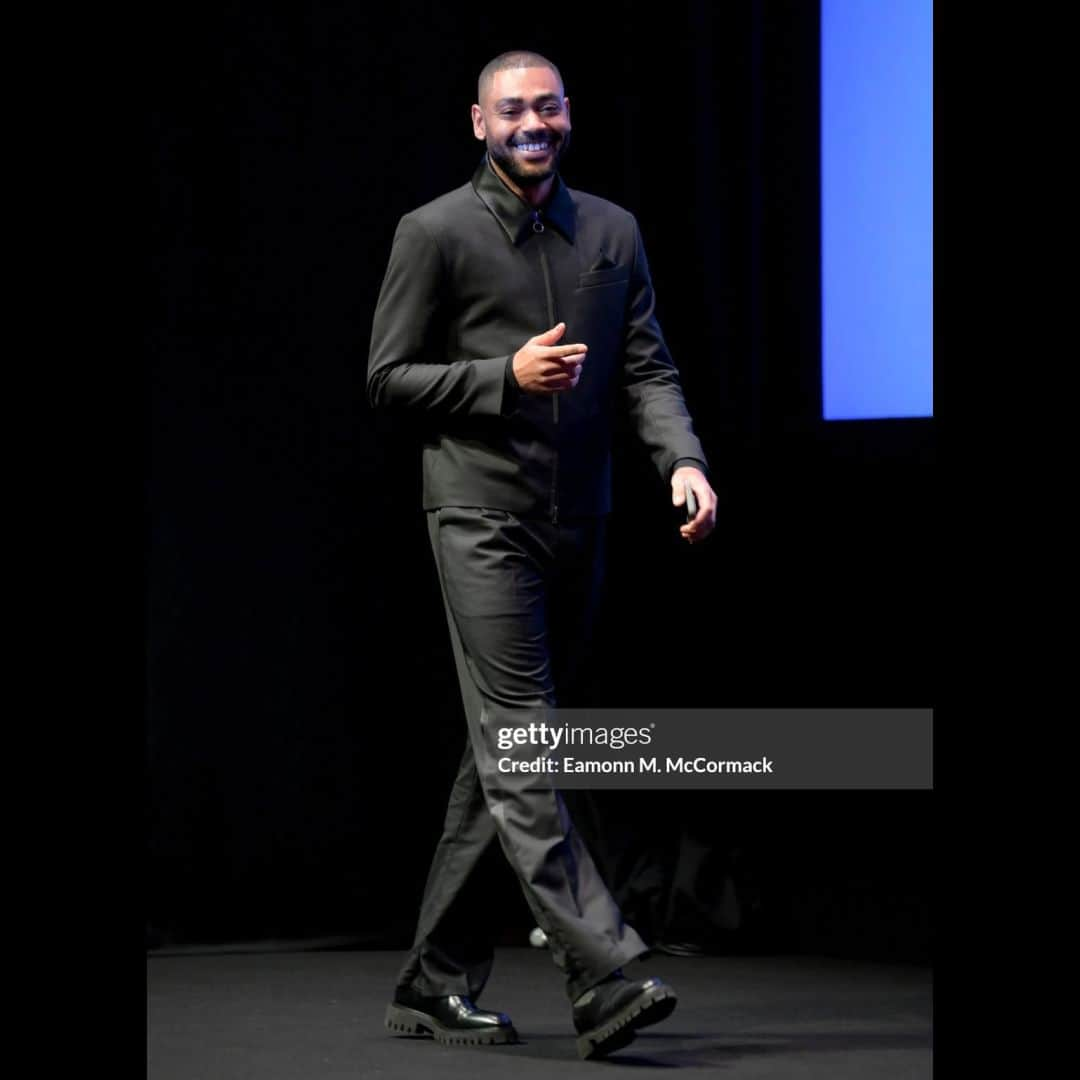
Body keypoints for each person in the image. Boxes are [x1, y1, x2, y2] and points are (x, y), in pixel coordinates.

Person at [367, 49, 717, 1060]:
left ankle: (433, 982)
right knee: (529, 743)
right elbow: (388, 378)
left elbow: (646, 365)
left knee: (507, 750)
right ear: (478, 123)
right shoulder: (431, 233)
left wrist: (681, 463)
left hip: (584, 524)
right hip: (478, 518)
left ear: (568, 114)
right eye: (512, 109)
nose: (534, 122)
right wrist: (503, 376)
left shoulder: (613, 230)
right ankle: (600, 969)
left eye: (549, 106)